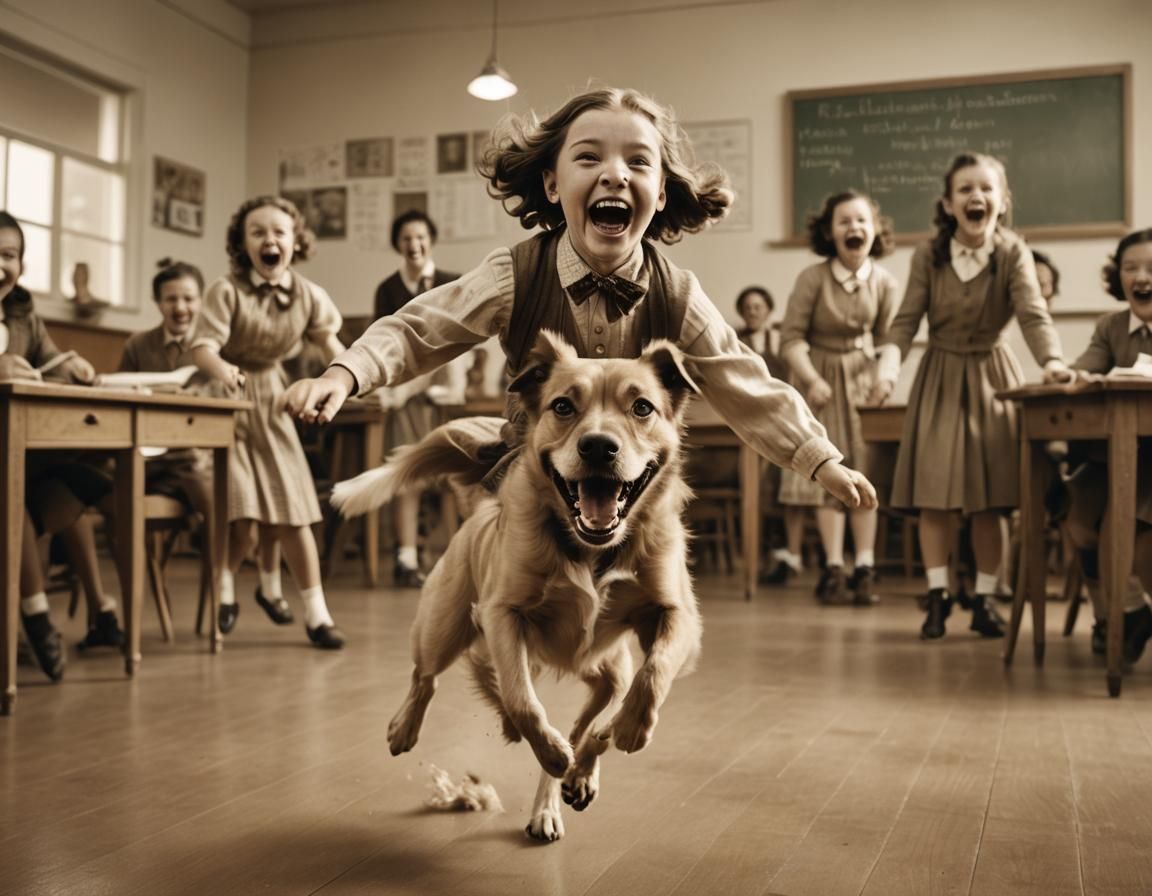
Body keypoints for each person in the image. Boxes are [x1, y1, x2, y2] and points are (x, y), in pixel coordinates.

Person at [284, 87, 876, 521]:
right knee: (498, 602)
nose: (614, 174)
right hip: (537, 488)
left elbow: (747, 383)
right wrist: (345, 372)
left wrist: (820, 458)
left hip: (633, 499)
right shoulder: (514, 274)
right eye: (589, 158)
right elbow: (421, 327)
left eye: (637, 161)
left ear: (661, 192)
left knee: (659, 606)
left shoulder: (677, 295)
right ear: (551, 183)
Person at [871, 153, 1073, 640]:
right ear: (948, 204)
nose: (976, 196)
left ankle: (985, 598)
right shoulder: (928, 255)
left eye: (986, 188)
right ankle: (937, 596)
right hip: (940, 376)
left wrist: (1052, 361)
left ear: (1003, 201)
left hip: (992, 377)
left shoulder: (1013, 252)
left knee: (990, 500)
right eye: (965, 189)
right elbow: (905, 321)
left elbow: (1033, 314)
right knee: (934, 496)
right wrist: (888, 368)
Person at [188, 196, 347, 649]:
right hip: (224, 404)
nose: (269, 240)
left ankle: (317, 615)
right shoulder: (226, 290)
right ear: (243, 245)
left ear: (296, 241)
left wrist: (352, 377)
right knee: (241, 515)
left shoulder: (310, 296)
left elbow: (330, 343)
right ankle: (224, 589)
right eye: (257, 232)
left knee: (295, 509)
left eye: (279, 231)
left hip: (273, 402)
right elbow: (202, 349)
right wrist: (223, 371)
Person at [0, 211, 124, 679]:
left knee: (83, 482)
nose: (1, 266)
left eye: (9, 256)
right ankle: (36, 614)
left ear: (21, 264)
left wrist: (71, 368)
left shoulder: (22, 313)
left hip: (27, 452)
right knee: (11, 490)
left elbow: (50, 360)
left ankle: (98, 609)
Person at [773, 192, 898, 605]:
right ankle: (833, 569)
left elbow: (890, 341)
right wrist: (810, 379)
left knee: (865, 471)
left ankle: (865, 567)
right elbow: (791, 339)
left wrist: (886, 379)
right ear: (829, 233)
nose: (854, 228)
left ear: (874, 229)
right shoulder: (812, 279)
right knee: (829, 471)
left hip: (862, 383)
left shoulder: (884, 282)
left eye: (861, 220)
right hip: (821, 382)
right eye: (844, 221)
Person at [1063, 228, 1152, 663]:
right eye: (1130, 268)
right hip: (1113, 456)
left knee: (1122, 530)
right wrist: (1069, 374)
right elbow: (1085, 368)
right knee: (1077, 516)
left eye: (1151, 268)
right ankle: (1123, 614)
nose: (1141, 277)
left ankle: (1122, 617)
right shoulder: (1111, 327)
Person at [372, 210, 461, 587]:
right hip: (407, 395)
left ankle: (457, 560)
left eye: (420, 237)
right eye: (407, 238)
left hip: (446, 395)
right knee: (409, 474)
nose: (414, 244)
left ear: (431, 240)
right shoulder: (387, 290)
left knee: (453, 478)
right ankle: (406, 558)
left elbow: (461, 338)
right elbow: (384, 344)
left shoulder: (452, 283)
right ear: (398, 244)